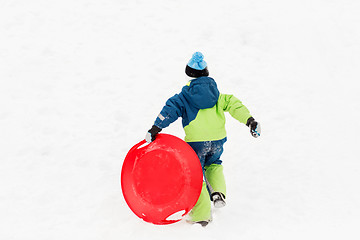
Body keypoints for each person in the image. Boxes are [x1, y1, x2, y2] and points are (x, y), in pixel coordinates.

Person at [145, 52, 261, 226]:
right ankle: (218, 193)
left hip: (196, 143)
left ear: (189, 75)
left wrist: (155, 128)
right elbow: (235, 105)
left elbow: (170, 110)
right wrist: (250, 121)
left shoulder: (183, 97)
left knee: (196, 174)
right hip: (217, 140)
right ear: (206, 73)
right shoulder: (218, 95)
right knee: (214, 165)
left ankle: (201, 215)